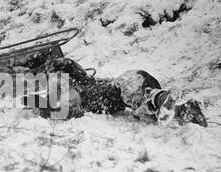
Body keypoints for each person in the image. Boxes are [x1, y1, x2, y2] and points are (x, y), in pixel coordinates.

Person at [20, 55, 208, 127]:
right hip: (135, 87)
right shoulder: (82, 108)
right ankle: (187, 110)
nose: (68, 100)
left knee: (147, 99)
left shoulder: (85, 82)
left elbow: (67, 63)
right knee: (149, 114)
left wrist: (37, 70)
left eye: (65, 93)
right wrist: (37, 102)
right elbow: (62, 112)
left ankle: (161, 98)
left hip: (127, 84)